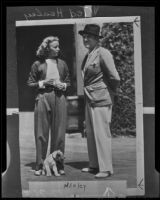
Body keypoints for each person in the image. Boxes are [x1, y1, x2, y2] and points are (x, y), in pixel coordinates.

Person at [79, 24, 120, 178]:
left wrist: (109, 92)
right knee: (90, 132)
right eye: (84, 36)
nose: (85, 38)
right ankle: (94, 165)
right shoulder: (88, 55)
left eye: (89, 36)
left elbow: (115, 77)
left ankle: (106, 168)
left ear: (97, 39)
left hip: (101, 98)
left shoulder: (103, 53)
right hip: (90, 99)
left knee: (102, 133)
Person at [27, 36, 71, 176]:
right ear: (47, 48)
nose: (58, 49)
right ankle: (40, 165)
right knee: (41, 133)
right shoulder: (37, 64)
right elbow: (30, 83)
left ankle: (58, 164)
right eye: (55, 47)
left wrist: (63, 85)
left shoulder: (63, 64)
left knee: (59, 134)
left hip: (60, 98)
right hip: (43, 97)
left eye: (58, 46)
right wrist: (43, 83)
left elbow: (69, 82)